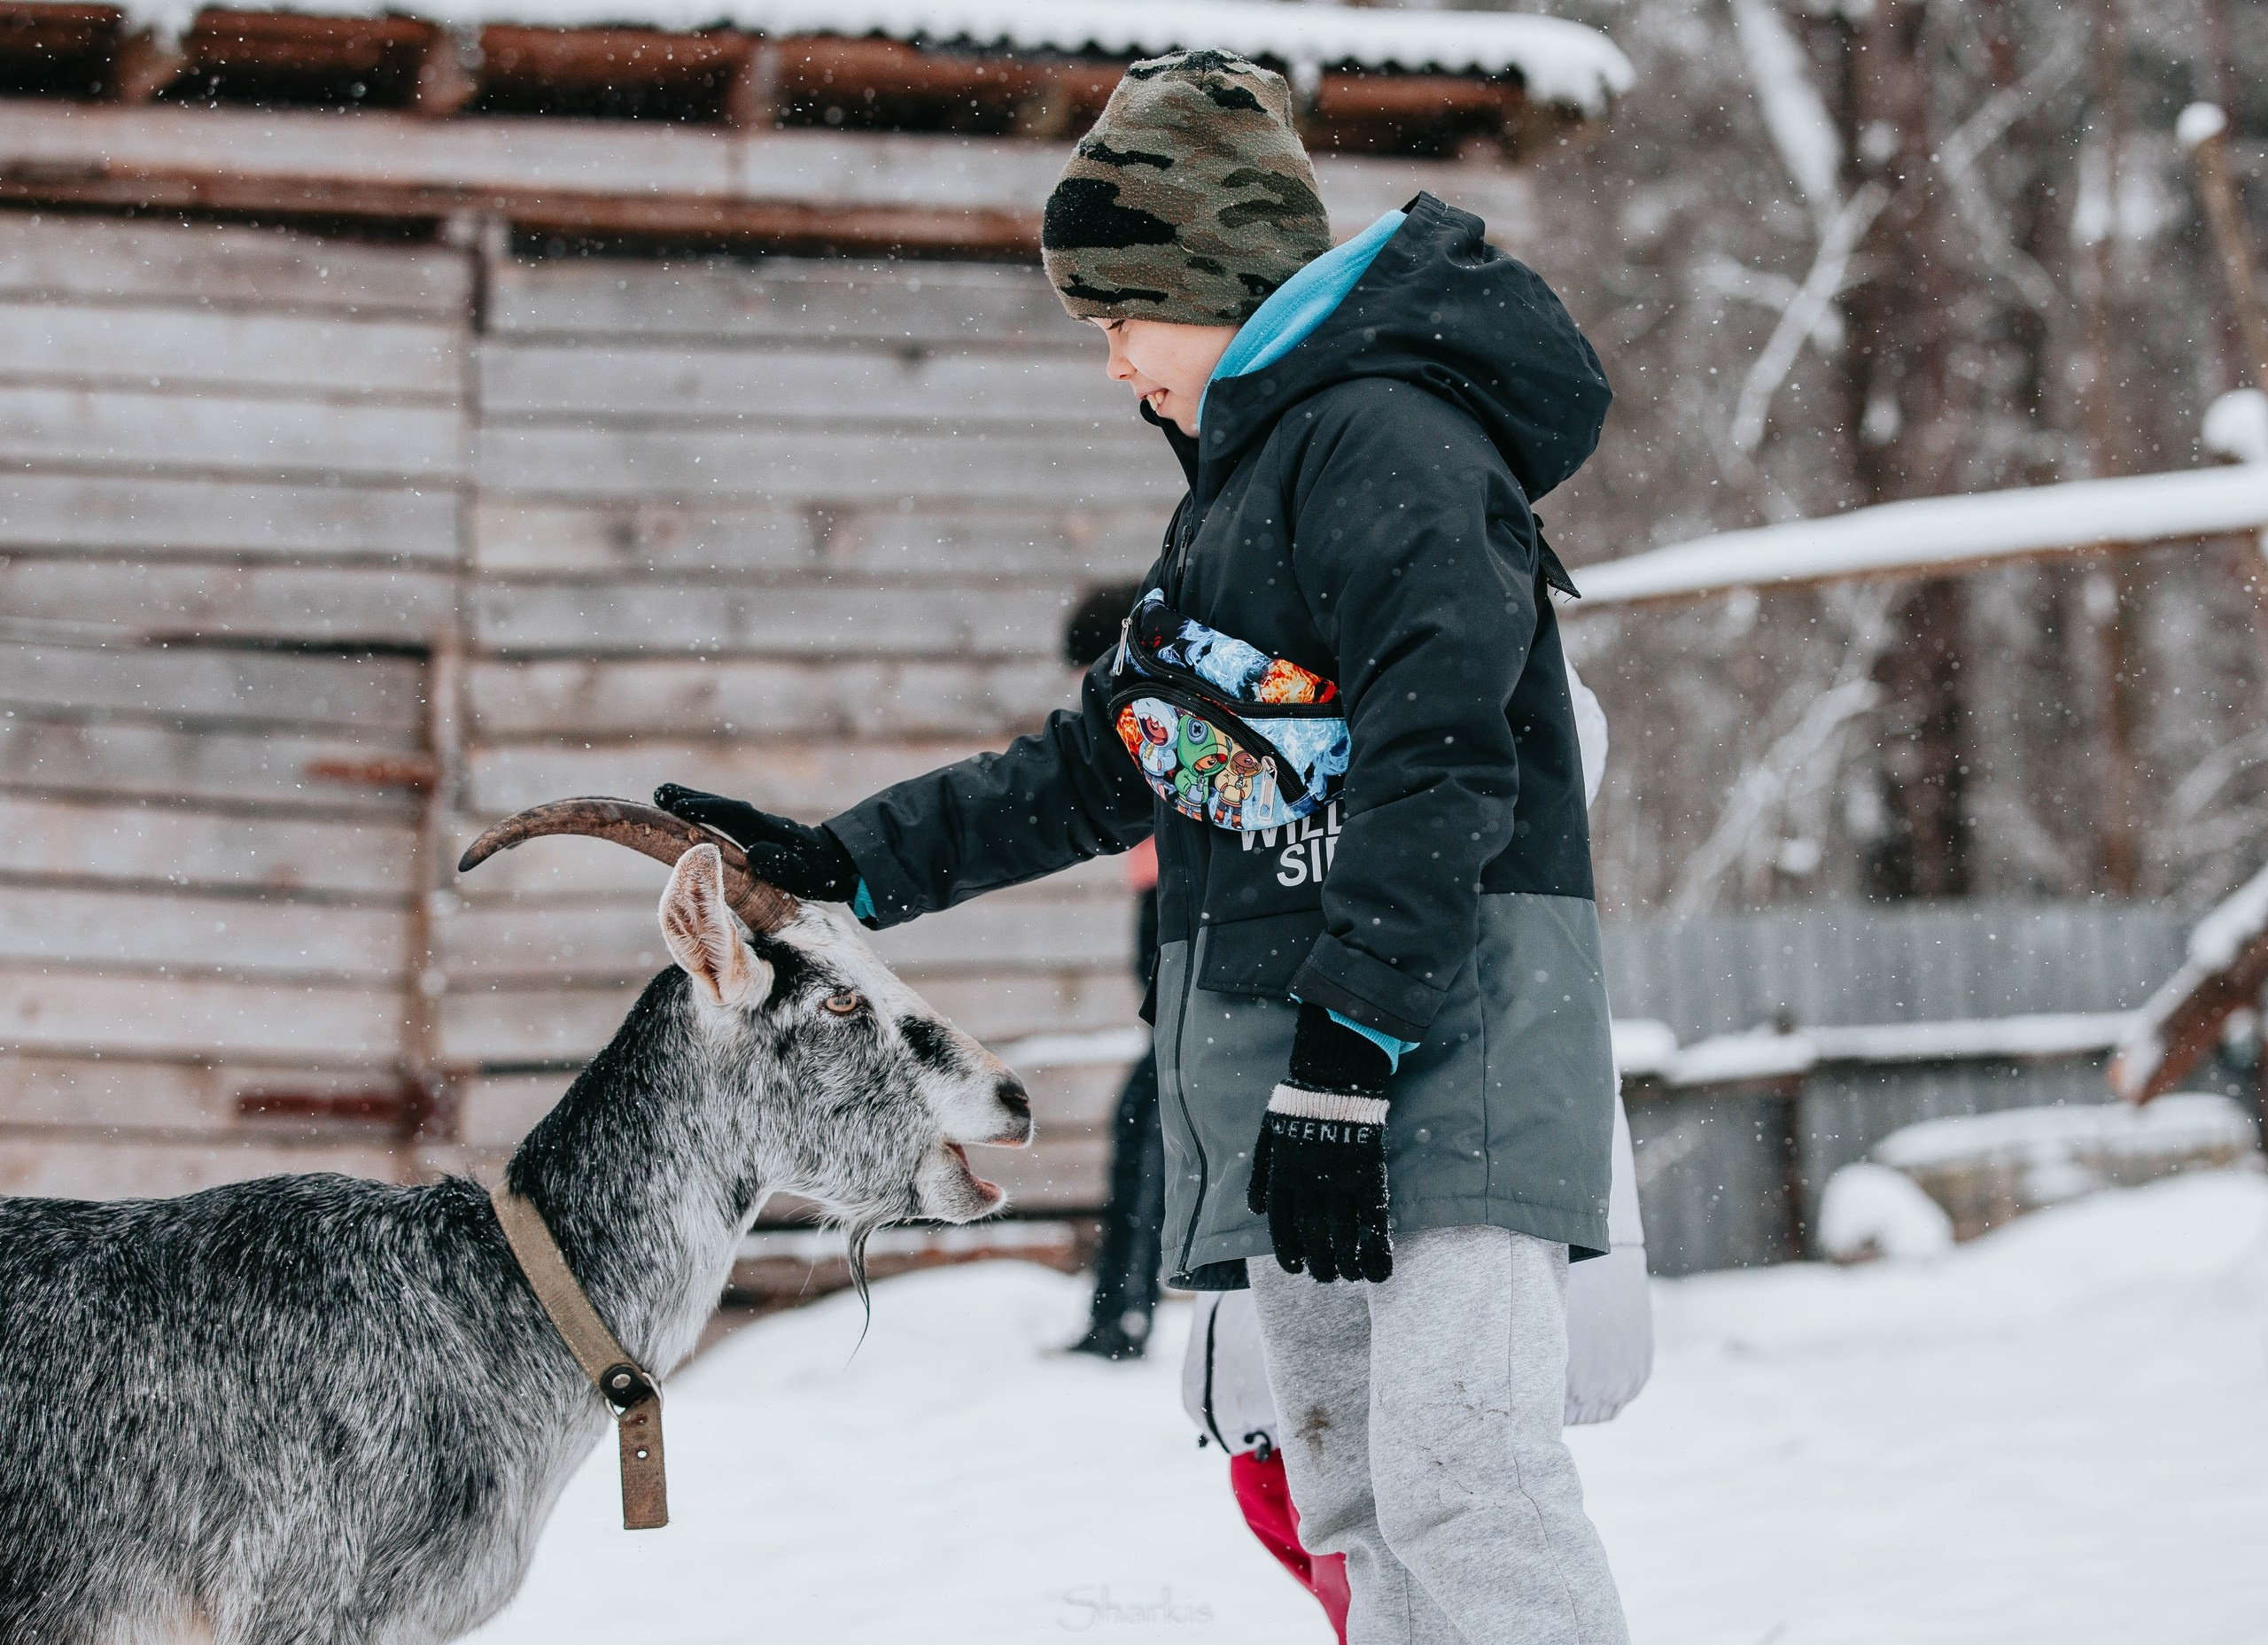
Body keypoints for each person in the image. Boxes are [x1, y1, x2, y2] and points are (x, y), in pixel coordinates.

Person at [656, 47, 1627, 1643]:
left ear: (1212, 278)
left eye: (1120, 316)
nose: (1111, 362)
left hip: (1432, 1044)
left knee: (1466, 1479)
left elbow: (1443, 763)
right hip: (1301, 1060)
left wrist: (1354, 1050)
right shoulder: (1237, 496)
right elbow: (1107, 761)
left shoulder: (1391, 443)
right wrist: (842, 863)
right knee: (1358, 1494)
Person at [1060, 585, 1169, 1362]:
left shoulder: (1151, 708)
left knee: (1147, 1117)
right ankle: (1123, 1306)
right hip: (1161, 903)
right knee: (1146, 1115)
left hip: (1177, 907)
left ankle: (1123, 1309)